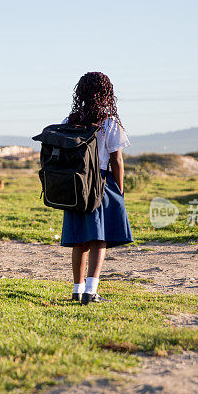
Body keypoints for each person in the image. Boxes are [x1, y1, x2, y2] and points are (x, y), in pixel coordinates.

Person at [60, 72, 133, 304]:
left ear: (79, 93)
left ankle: (77, 290)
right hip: (100, 183)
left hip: (74, 185)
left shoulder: (68, 122)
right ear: (107, 94)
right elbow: (116, 161)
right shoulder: (110, 123)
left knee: (79, 240)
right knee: (98, 239)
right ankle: (91, 292)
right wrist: (119, 191)